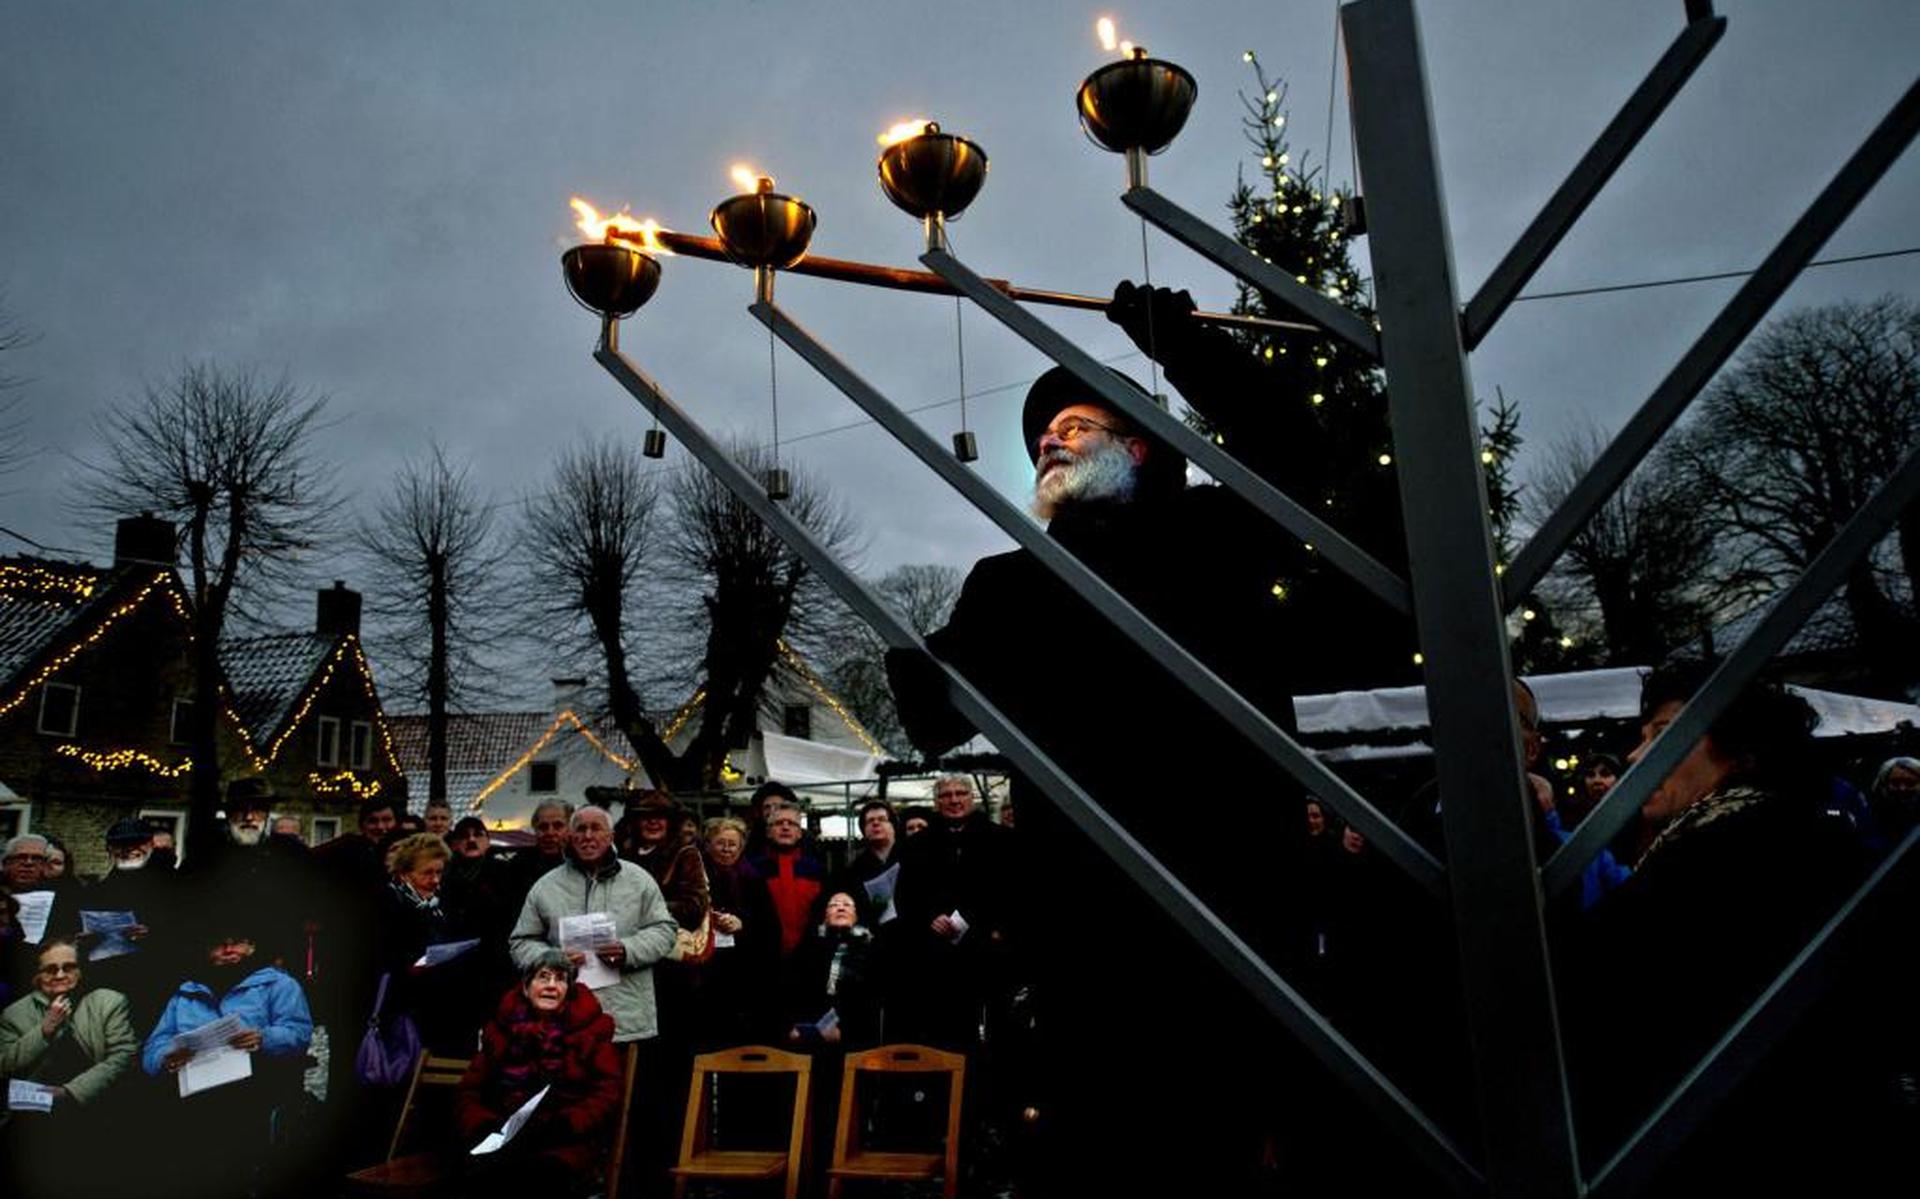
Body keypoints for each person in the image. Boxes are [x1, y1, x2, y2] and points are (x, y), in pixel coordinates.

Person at [884, 353, 1317, 1194]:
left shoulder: (1215, 534)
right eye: (1042, 438)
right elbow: (936, 719)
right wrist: (915, 663)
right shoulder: (1012, 585)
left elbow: (1298, 455)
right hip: (1086, 916)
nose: (1049, 441)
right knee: (1097, 1142)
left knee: (1223, 1136)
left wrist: (1183, 345)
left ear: (1140, 447)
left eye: (1074, 426)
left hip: (1229, 898)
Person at [1564, 664, 1870, 1190]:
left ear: (1740, 747)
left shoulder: (1736, 856)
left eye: (1664, 735)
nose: (1637, 757)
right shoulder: (1736, 839)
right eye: (1640, 739)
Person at [140, 917, 314, 1198]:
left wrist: (263, 1037)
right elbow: (152, 1048)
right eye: (220, 945)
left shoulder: (278, 984)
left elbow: (299, 1033)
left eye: (238, 942)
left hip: (257, 1090)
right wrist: (166, 1057)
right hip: (194, 1095)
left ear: (253, 946)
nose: (230, 949)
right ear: (207, 951)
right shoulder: (186, 993)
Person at [454, 949, 624, 1196]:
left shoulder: (591, 1032)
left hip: (562, 1140)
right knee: (477, 1173)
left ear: (569, 990)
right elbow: (469, 1090)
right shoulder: (501, 1030)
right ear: (525, 987)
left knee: (537, 1178)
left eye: (561, 979)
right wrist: (482, 1124)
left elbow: (608, 1093)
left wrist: (567, 1124)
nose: (551, 986)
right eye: (543, 977)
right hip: (503, 1133)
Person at [509, 806, 677, 1046]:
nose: (588, 836)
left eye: (596, 828)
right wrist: (552, 959)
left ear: (610, 837)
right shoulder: (546, 886)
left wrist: (628, 950)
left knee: (621, 1084)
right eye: (581, 829)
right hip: (561, 1017)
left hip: (625, 1017)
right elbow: (521, 942)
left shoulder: (638, 880)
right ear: (570, 836)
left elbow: (665, 930)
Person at [0, 938, 138, 1196]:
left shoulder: (108, 1001)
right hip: (34, 1121)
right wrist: (44, 1030)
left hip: (95, 1109)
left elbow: (124, 1055)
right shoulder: (13, 1016)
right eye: (51, 969)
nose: (61, 974)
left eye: (69, 967)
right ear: (37, 977)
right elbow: (5, 1064)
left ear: (79, 971)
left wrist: (71, 1092)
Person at [888, 776, 1017, 1048]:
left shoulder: (1002, 840)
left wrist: (987, 925)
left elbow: (1012, 891)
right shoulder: (915, 845)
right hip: (935, 954)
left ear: (972, 798)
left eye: (961, 793)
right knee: (944, 1033)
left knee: (995, 1033)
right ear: (936, 802)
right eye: (947, 795)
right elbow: (903, 895)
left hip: (987, 951)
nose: (954, 800)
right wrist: (928, 919)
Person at [698, 816, 778, 1047]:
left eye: (732, 844)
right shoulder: (696, 877)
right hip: (705, 970)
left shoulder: (753, 879)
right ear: (708, 844)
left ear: (741, 847)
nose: (726, 849)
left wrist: (743, 924)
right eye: (720, 843)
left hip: (743, 971)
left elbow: (769, 926)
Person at [746, 802, 826, 962]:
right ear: (768, 832)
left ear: (799, 833)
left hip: (809, 959)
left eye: (792, 823)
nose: (785, 827)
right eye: (778, 823)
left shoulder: (816, 870)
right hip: (763, 959)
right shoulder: (751, 869)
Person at [502, 800, 573, 919]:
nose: (550, 833)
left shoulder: (584, 863)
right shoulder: (518, 866)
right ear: (535, 830)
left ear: (571, 829)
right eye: (543, 827)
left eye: (558, 826)